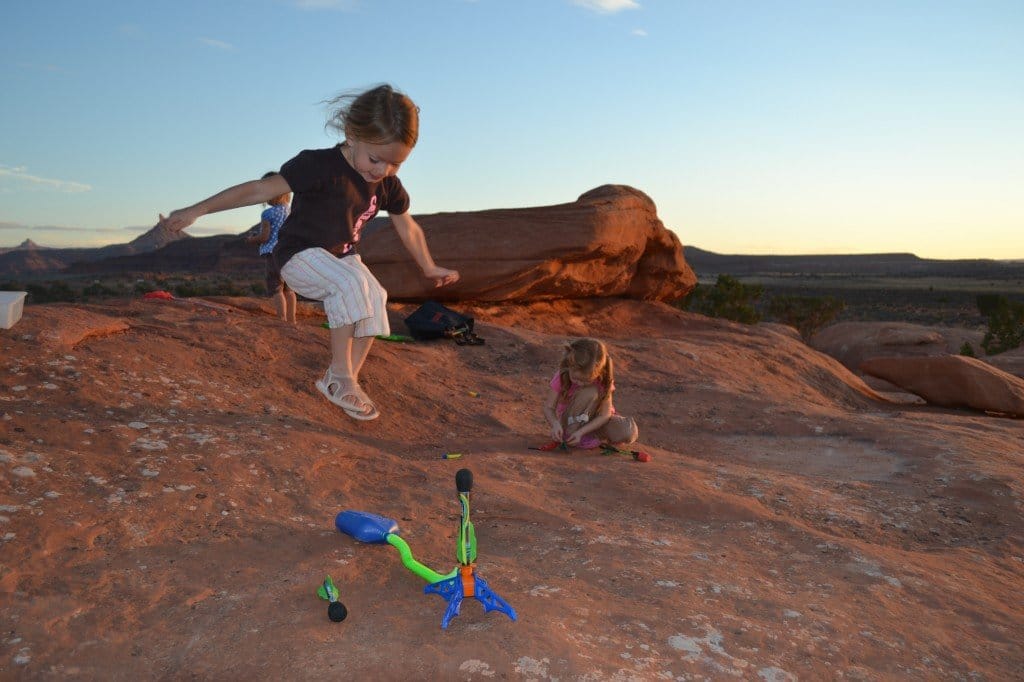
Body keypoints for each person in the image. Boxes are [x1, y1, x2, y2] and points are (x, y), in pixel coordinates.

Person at [157, 84, 459, 421]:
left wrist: (428, 266)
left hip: (341, 257)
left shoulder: (386, 184)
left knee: (375, 295)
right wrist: (198, 210)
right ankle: (342, 379)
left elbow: (407, 226)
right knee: (349, 284)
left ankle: (340, 379)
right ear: (351, 134)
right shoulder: (317, 165)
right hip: (298, 256)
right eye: (375, 159)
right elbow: (259, 189)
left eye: (395, 165)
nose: (382, 171)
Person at [541, 338, 639, 449]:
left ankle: (587, 436)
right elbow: (548, 407)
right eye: (575, 379)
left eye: (586, 380)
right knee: (590, 392)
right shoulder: (562, 376)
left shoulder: (604, 380)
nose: (580, 383)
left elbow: (604, 415)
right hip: (572, 421)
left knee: (627, 431)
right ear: (569, 367)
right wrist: (555, 424)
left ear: (598, 373)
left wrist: (582, 432)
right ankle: (571, 435)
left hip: (594, 421)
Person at [245, 171, 296, 323]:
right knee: (289, 289)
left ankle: (281, 318)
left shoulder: (268, 213)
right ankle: (292, 320)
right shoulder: (291, 211)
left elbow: (265, 237)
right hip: (289, 253)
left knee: (276, 288)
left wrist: (252, 239)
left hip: (273, 254)